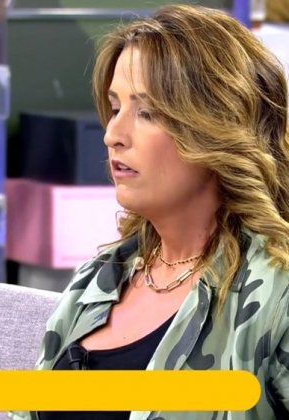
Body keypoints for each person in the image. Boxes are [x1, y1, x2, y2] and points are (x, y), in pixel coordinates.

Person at [26, 4, 289, 419]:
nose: (112, 134)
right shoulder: (97, 278)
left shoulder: (276, 292)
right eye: (115, 108)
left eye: (146, 112)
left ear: (216, 127)